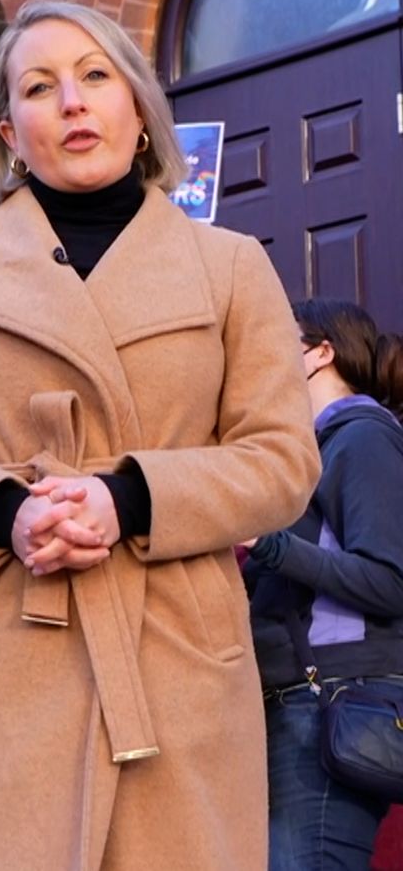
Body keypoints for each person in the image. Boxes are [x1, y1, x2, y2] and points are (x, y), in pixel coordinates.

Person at [0, 0, 321, 869]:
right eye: (39, 86)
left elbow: (283, 460)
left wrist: (127, 497)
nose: (72, 101)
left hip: (174, 662)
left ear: (138, 111)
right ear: (7, 132)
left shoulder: (229, 267)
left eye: (95, 76)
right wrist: (4, 514)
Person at [244, 299, 403, 870]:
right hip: (301, 705)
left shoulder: (362, 438)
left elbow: (391, 582)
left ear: (319, 353)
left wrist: (269, 543)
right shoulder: (307, 453)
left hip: (330, 703)